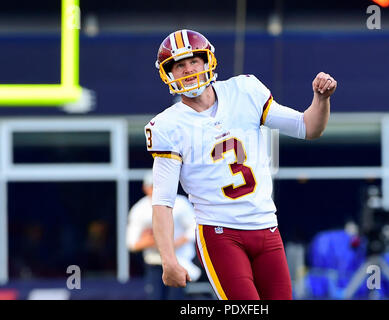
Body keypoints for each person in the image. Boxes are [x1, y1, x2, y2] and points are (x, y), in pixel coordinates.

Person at [146, 29, 337, 300]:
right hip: (220, 233)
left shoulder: (244, 90)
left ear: (208, 61)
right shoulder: (167, 125)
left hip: (266, 226)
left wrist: (321, 100)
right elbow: (163, 201)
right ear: (168, 73)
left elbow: (308, 127)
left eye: (193, 61)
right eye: (179, 65)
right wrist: (168, 259)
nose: (188, 69)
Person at [126, 170, 201, 299]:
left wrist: (174, 243)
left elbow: (195, 228)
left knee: (176, 297)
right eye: (152, 186)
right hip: (155, 263)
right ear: (146, 188)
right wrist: (153, 241)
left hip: (180, 260)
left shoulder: (180, 204)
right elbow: (132, 243)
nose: (155, 190)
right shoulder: (140, 210)